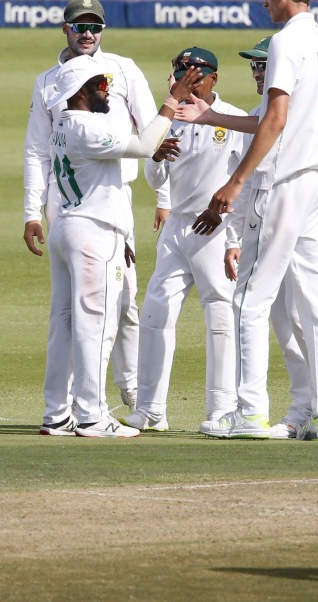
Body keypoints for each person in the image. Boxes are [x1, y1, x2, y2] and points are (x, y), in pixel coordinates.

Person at [190, 0, 318, 441]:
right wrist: (210, 118)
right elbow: (273, 116)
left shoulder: (285, 40)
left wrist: (235, 182)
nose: (263, 2)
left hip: (283, 186)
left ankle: (249, 413)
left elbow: (275, 119)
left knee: (249, 301)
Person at [37, 56, 203, 437]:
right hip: (93, 231)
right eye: (99, 84)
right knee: (97, 324)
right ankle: (93, 416)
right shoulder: (85, 127)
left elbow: (138, 149)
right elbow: (146, 143)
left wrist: (151, 148)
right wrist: (172, 100)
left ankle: (56, 413)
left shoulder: (64, 124)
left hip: (69, 225)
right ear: (80, 91)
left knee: (63, 324)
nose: (107, 89)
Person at [24, 0, 156, 415]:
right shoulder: (49, 81)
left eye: (94, 26)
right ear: (65, 28)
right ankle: (80, 408)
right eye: (79, 26)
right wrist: (33, 209)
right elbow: (36, 151)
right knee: (77, 313)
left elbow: (151, 133)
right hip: (81, 209)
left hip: (113, 200)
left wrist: (165, 198)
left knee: (125, 303)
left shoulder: (123, 69)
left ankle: (128, 390)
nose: (87, 33)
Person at [118, 48, 246, 432]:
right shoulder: (168, 119)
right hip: (177, 229)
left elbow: (247, 181)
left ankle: (221, 410)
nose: (189, 80)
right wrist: (156, 156)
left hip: (216, 228)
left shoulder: (235, 118)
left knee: (220, 315)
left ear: (214, 79)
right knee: (156, 313)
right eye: (182, 74)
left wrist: (233, 237)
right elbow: (155, 182)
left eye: (197, 74)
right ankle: (152, 410)